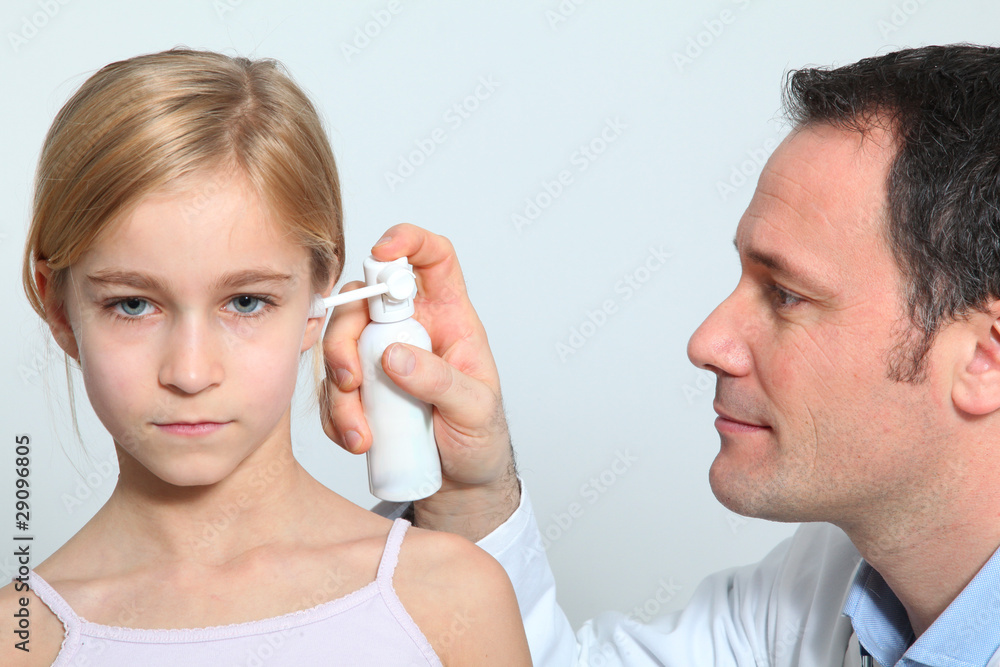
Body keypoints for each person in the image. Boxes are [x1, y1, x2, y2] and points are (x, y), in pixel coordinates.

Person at [323, 44, 1000, 666]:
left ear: (984, 358)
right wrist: (469, 496)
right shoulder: (822, 592)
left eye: (787, 294)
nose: (707, 343)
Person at [0, 48, 531, 666]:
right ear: (58, 307)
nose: (191, 373)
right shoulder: (20, 641)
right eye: (134, 306)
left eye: (246, 302)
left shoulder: (447, 598)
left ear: (319, 293)